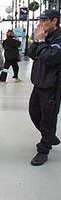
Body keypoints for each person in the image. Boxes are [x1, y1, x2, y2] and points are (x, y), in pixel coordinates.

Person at [28, 9, 61, 166]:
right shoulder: (43, 37)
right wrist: (36, 41)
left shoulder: (59, 38)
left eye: (44, 20)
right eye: (40, 20)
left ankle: (43, 149)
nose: (41, 23)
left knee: (48, 117)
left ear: (55, 21)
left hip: (52, 86)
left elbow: (51, 58)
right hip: (38, 82)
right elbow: (31, 54)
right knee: (34, 112)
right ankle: (49, 135)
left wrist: (42, 42)